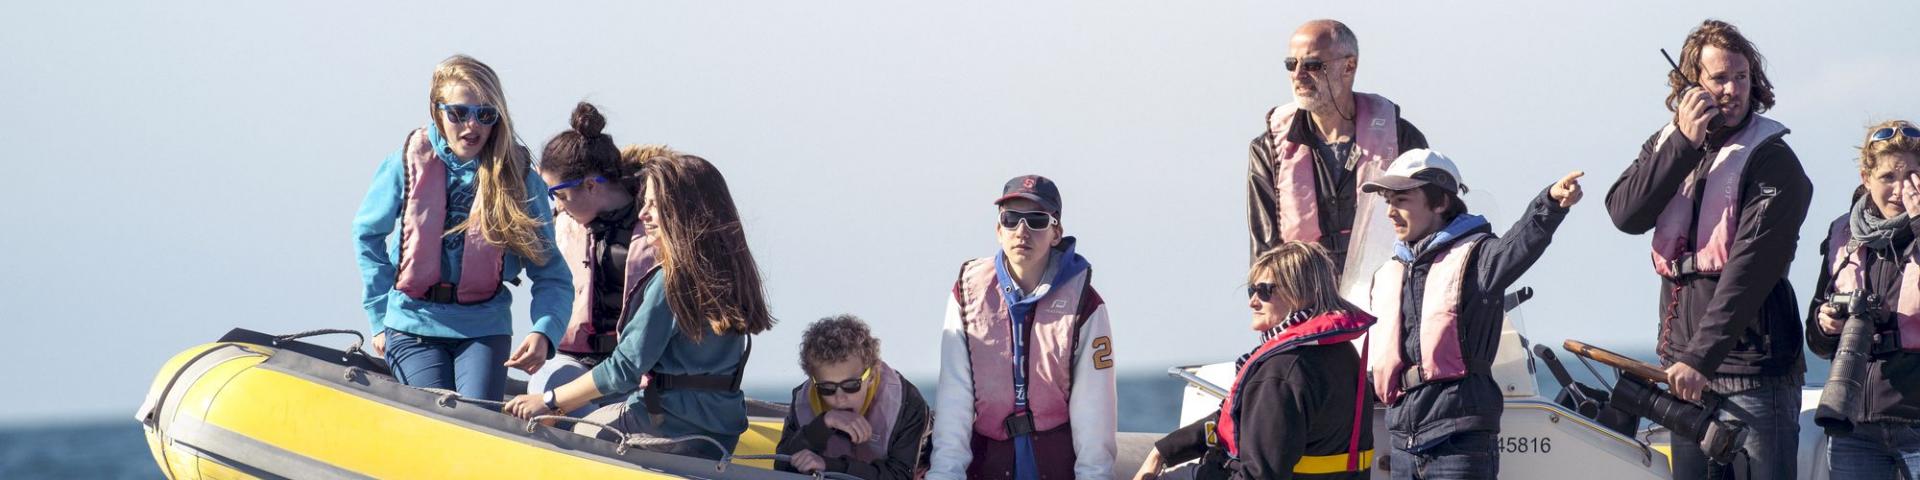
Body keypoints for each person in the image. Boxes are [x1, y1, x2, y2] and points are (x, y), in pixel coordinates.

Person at [1603, 19, 1810, 479]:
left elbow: (1752, 270)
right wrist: (1682, 144)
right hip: (1687, 378)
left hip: (1755, 375)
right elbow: (1624, 213)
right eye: (1720, 78)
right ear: (1691, 84)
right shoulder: (1668, 144)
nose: (1733, 89)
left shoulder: (1774, 161)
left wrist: (1699, 358)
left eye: (1742, 77)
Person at [503, 148, 773, 461]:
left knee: (568, 434)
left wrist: (549, 402)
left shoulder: (673, 282)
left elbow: (624, 370)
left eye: (654, 205)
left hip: (666, 429)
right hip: (721, 434)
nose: (643, 215)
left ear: (683, 212)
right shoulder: (729, 273)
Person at [352, 54, 571, 401]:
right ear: (437, 112)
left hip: (484, 327)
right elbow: (367, 235)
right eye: (459, 113)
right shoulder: (405, 164)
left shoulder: (520, 179)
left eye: (485, 115)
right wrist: (379, 316)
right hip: (412, 323)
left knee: (476, 417)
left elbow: (552, 274)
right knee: (437, 415)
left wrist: (545, 331)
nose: (472, 126)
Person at [1363, 149, 1582, 479]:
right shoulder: (1388, 273)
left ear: (1440, 203)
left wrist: (1549, 204)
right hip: (1402, 443)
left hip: (1459, 441)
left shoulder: (1479, 259)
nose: (1391, 212)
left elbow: (1519, 244)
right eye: (1388, 201)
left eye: (1402, 200)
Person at [928, 175, 1118, 480]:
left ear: (1056, 232)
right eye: (1012, 219)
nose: (1022, 230)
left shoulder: (1087, 305)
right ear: (998, 229)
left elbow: (1094, 412)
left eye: (1037, 220)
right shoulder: (966, 294)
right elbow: (955, 398)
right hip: (987, 462)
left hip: (1056, 464)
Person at [1134, 242, 1375, 480]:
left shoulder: (1282, 373)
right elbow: (1235, 421)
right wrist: (1162, 452)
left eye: (1264, 291)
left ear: (1299, 293)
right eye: (1252, 290)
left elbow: (1261, 475)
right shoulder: (1341, 354)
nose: (1252, 301)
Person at [1248, 19, 1428, 279]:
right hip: (1307, 299)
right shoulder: (1267, 149)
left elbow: (1429, 223)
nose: (1298, 75)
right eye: (1291, 64)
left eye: (1311, 65)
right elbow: (1264, 249)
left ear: (1349, 66)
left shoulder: (1402, 138)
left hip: (1384, 292)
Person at [525, 102, 658, 417]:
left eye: (557, 194)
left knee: (620, 413)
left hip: (632, 369)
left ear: (589, 185)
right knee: (550, 388)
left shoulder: (656, 225)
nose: (554, 204)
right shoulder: (560, 224)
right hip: (572, 359)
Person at [1806, 121, 1920, 479]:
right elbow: (1815, 338)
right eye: (1888, 177)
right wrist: (1827, 325)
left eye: (1913, 176)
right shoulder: (1843, 236)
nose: (1901, 190)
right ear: (1865, 177)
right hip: (1854, 426)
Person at [775, 315, 932, 479]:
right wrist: (822, 425)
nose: (839, 398)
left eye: (851, 385)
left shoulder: (907, 405)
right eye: (827, 388)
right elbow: (781, 467)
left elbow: (900, 476)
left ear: (871, 377)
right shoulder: (803, 400)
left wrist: (828, 466)